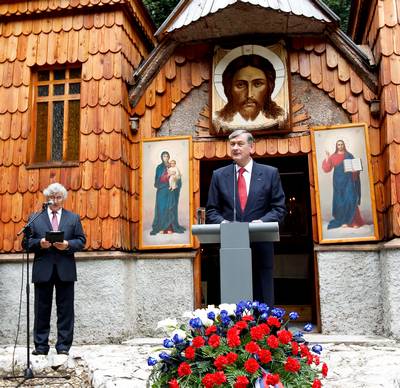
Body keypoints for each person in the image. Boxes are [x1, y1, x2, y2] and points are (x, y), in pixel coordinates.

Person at [206, 130, 286, 306]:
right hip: (230, 248)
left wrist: (262, 222)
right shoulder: (219, 176)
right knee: (231, 300)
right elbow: (211, 210)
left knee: (262, 299)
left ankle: (266, 331)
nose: (235, 148)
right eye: (232, 144)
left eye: (240, 144)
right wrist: (224, 223)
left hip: (260, 246)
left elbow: (279, 209)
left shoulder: (270, 173)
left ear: (251, 147)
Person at [28, 183, 86, 356]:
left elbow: (82, 241)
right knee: (41, 309)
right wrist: (40, 243)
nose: (55, 200)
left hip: (65, 270)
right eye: (52, 197)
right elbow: (26, 243)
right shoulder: (35, 218)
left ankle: (63, 347)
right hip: (43, 269)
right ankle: (40, 346)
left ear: (63, 199)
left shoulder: (73, 218)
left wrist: (68, 244)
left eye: (58, 197)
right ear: (47, 199)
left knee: (66, 310)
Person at [213, 54, 285, 132]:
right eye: (240, 85)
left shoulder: (281, 119)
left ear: (269, 87)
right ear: (229, 89)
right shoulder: (219, 121)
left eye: (257, 84)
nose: (249, 95)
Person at [322, 139, 365, 229]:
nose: (340, 146)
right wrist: (327, 157)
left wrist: (355, 171)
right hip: (338, 182)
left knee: (350, 199)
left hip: (349, 180)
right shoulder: (333, 157)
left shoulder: (349, 155)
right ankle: (344, 221)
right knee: (340, 201)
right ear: (336, 146)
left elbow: (355, 168)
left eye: (341, 144)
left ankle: (353, 222)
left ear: (344, 145)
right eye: (338, 145)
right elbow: (327, 169)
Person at [150, 151, 185, 235]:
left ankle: (170, 228)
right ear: (161, 158)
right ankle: (162, 228)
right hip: (162, 190)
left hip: (170, 190)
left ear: (169, 157)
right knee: (162, 208)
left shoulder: (172, 165)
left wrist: (176, 180)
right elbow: (157, 181)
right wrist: (166, 176)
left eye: (166, 156)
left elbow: (178, 177)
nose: (165, 158)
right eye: (164, 156)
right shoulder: (159, 167)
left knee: (170, 208)